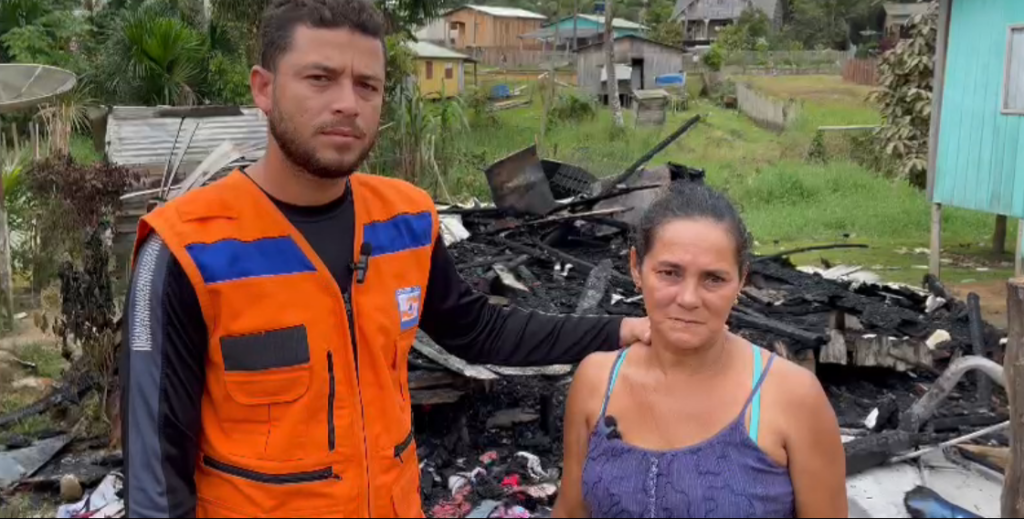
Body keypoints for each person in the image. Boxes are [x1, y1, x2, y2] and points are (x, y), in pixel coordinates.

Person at [119, 1, 650, 518]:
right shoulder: (187, 249)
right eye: (319, 78)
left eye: (367, 85)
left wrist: (617, 329)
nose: (348, 103)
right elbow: (155, 480)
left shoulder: (406, 221)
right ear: (264, 87)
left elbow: (477, 330)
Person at [553, 183, 848, 519]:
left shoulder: (791, 396)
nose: (689, 298)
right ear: (636, 267)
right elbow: (570, 510)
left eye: (713, 279)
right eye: (669, 273)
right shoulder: (597, 381)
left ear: (741, 281)